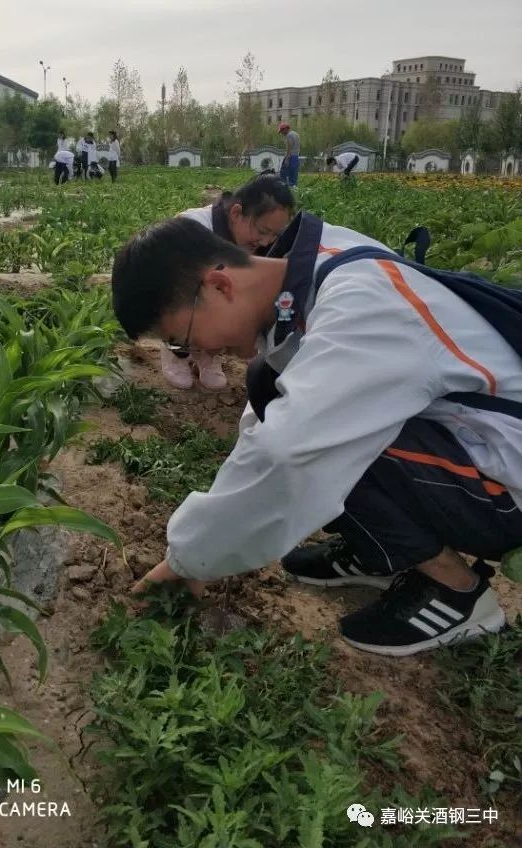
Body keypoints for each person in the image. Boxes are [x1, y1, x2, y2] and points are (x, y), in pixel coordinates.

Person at [111, 210, 522, 657]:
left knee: (327, 438)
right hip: (470, 441)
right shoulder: (315, 267)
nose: (197, 353)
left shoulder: (360, 304)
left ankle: (457, 593)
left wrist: (189, 559)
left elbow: (288, 453)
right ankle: (386, 553)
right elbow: (265, 428)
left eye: (182, 340)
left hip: (508, 486)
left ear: (219, 285)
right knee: (268, 387)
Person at [160, 175, 295, 391]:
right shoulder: (191, 229)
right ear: (236, 213)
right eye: (262, 231)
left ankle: (209, 356)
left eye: (274, 235)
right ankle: (177, 352)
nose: (267, 241)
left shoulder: (260, 244)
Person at [278, 123, 301, 187]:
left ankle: (283, 189)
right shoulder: (296, 134)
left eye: (282, 131)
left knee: (283, 175)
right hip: (296, 157)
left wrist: (287, 159)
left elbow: (289, 148)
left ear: (285, 129)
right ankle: (293, 189)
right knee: (293, 176)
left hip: (290, 157)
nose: (282, 133)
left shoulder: (289, 135)